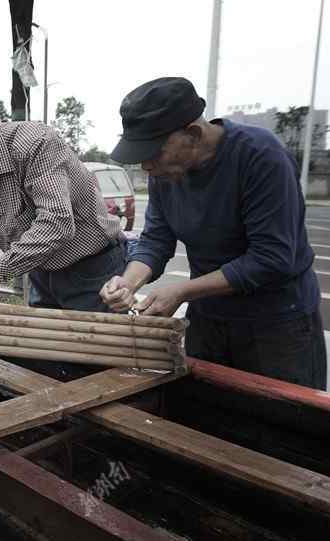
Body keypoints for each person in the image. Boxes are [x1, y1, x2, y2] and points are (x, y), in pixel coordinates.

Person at [100, 76, 325, 389]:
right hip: (209, 316)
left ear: (192, 134)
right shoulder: (165, 172)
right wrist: (128, 281)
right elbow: (156, 239)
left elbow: (272, 258)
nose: (146, 166)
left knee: (279, 426)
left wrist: (182, 291)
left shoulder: (259, 156)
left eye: (153, 153)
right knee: (207, 415)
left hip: (276, 323)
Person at [0, 102, 125, 311]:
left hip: (93, 268)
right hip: (39, 271)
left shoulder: (35, 143)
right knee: (44, 340)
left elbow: (57, 223)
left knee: (94, 341)